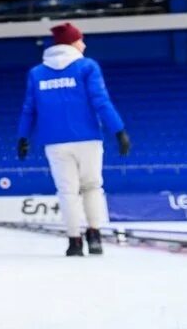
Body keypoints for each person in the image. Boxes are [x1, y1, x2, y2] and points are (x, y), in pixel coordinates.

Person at [18, 22, 131, 257]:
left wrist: (23, 137)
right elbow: (101, 101)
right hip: (88, 139)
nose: (84, 44)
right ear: (72, 42)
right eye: (81, 40)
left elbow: (29, 109)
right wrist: (118, 131)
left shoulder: (37, 73)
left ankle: (74, 241)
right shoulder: (87, 66)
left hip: (55, 142)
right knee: (92, 187)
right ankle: (95, 236)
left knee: (67, 192)